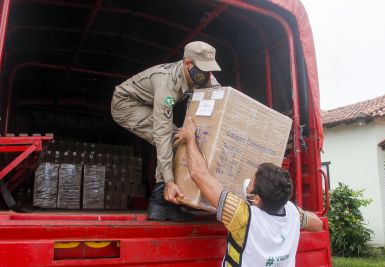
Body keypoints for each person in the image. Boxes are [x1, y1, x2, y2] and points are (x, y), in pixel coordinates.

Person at [173, 116, 323, 266]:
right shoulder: (292, 213)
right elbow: (318, 224)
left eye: (251, 181)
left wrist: (191, 138)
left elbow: (198, 174)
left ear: (256, 199)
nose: (248, 182)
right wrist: (294, 215)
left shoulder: (243, 216)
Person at [111, 41, 221, 221]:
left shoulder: (201, 75)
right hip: (126, 104)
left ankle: (170, 199)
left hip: (147, 102)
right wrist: (169, 181)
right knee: (172, 137)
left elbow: (219, 92)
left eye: (209, 70)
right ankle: (161, 202)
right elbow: (161, 135)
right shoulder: (167, 85)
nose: (206, 75)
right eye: (202, 69)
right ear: (187, 63)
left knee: (179, 136)